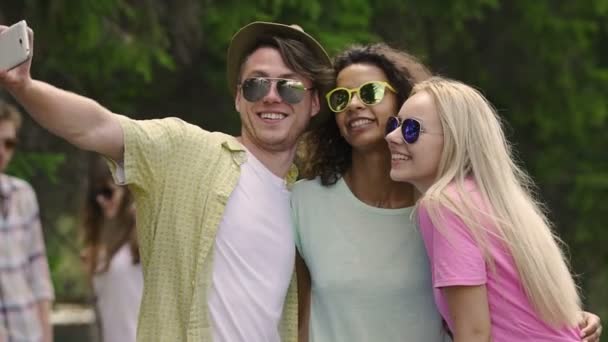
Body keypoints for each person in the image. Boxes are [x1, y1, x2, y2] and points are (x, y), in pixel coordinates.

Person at [0, 21, 333, 342]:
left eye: (289, 87)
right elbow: (95, 127)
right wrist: (24, 87)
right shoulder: (184, 150)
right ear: (237, 97)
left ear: (314, 102)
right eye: (256, 84)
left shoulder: (305, 201)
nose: (271, 97)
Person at [293, 44, 603, 342]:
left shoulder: (444, 206)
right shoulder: (483, 198)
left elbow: (476, 331)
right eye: (340, 98)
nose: (354, 104)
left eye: (370, 92)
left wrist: (568, 322)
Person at [385, 76, 596, 341]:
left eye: (411, 129)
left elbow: (474, 334)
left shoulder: (444, 205)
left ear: (455, 139)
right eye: (395, 124)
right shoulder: (494, 200)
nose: (391, 136)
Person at [0, 99, 54, 342]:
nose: (2, 151)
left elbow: (39, 276)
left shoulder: (24, 194)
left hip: (27, 334)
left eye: (9, 143)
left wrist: (46, 336)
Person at [81, 156, 141, 342]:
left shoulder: (140, 234)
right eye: (96, 194)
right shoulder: (97, 241)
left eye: (108, 192)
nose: (101, 200)